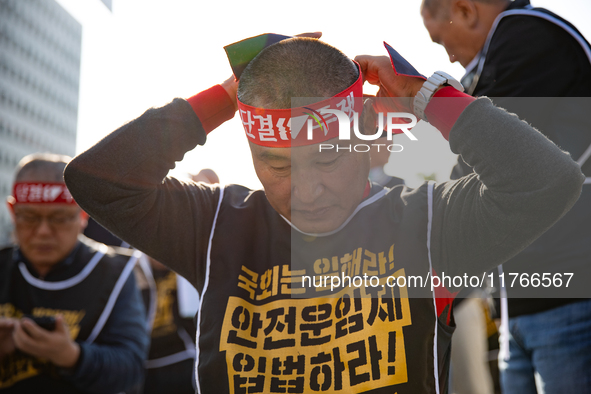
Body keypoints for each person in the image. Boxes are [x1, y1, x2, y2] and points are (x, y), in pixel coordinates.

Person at [64, 35, 583, 394]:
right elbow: (97, 180)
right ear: (250, 154)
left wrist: (427, 97)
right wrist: (228, 96)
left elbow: (548, 182)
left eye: (328, 157)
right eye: (276, 164)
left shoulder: (428, 226)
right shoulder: (218, 225)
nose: (306, 190)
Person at [421, 1, 591, 392]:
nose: (447, 55)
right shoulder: (509, 47)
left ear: (465, 10)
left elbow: (490, 161)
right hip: (526, 301)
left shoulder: (524, 32)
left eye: (440, 40)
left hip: (569, 296)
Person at [0, 153, 149, 393]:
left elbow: (131, 370)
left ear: (83, 215)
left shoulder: (115, 272)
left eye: (59, 218)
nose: (43, 232)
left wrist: (72, 356)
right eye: (28, 217)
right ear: (12, 210)